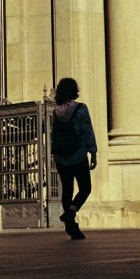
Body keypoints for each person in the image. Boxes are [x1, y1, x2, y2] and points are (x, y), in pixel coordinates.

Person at [50, 77, 97, 239]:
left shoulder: (56, 111)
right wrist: (93, 152)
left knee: (67, 190)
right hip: (78, 154)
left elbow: (54, 134)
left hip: (61, 156)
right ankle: (70, 213)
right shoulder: (81, 108)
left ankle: (71, 227)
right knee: (85, 188)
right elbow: (87, 130)